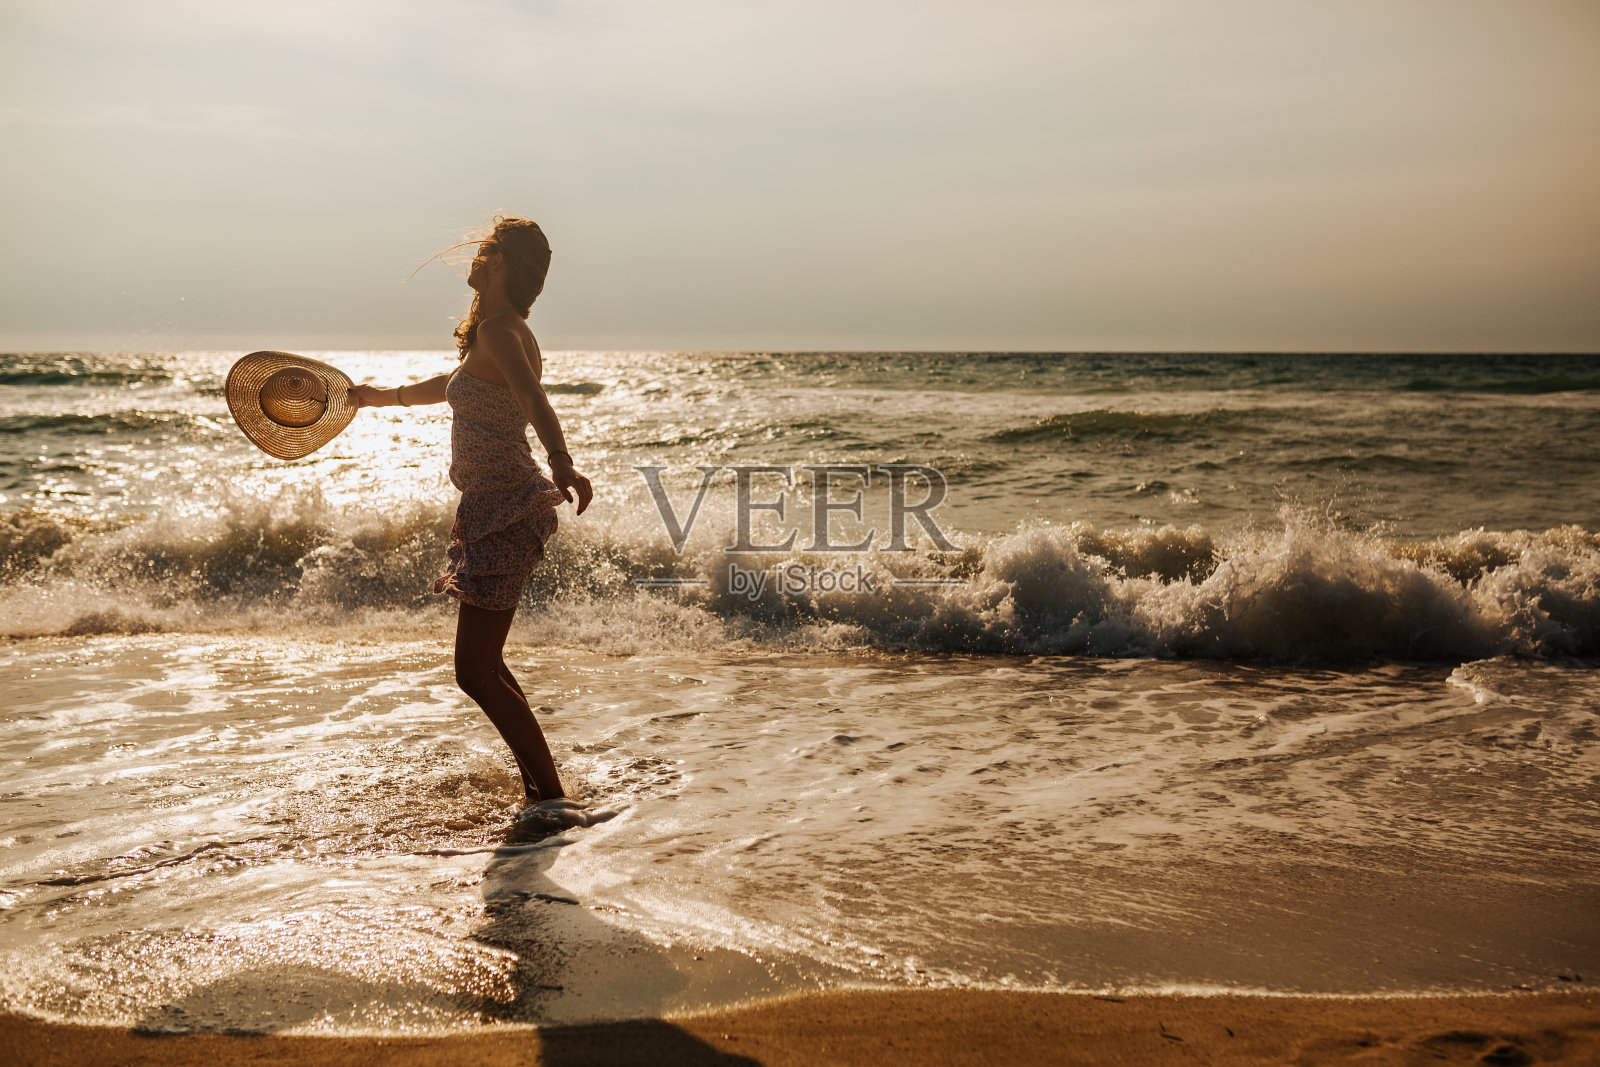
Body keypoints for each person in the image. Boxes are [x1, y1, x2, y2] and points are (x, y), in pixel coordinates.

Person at [352, 216, 595, 817]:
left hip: (509, 505)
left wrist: (562, 462)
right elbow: (453, 385)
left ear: (502, 266)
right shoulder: (492, 334)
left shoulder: (500, 330)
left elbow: (533, 397)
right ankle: (542, 793)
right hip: (493, 505)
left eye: (485, 250)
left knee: (474, 671)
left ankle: (554, 799)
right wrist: (379, 398)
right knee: (483, 666)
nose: (475, 256)